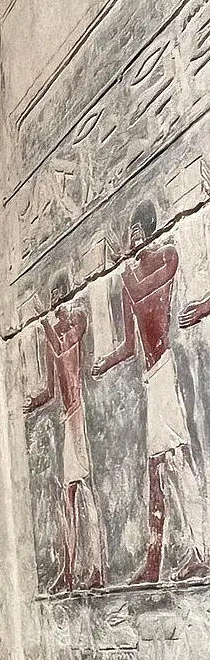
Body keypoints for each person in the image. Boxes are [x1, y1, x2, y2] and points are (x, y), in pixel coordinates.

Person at [92, 201, 208, 584]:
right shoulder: (130, 278)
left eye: (137, 233)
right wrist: (106, 362)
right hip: (149, 378)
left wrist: (121, 266)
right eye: (131, 236)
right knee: (155, 471)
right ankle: (155, 560)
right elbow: (129, 345)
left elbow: (144, 291)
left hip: (167, 370)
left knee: (177, 459)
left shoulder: (166, 256)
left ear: (149, 230)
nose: (134, 240)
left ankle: (200, 551)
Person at [24, 274, 104, 592]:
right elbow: (51, 388)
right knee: (68, 495)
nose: (57, 302)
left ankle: (96, 568)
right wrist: (33, 403)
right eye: (53, 297)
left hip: (81, 414)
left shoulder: (76, 319)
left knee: (84, 490)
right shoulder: (53, 331)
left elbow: (63, 348)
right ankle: (69, 570)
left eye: (60, 295)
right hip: (66, 418)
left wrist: (43, 321)